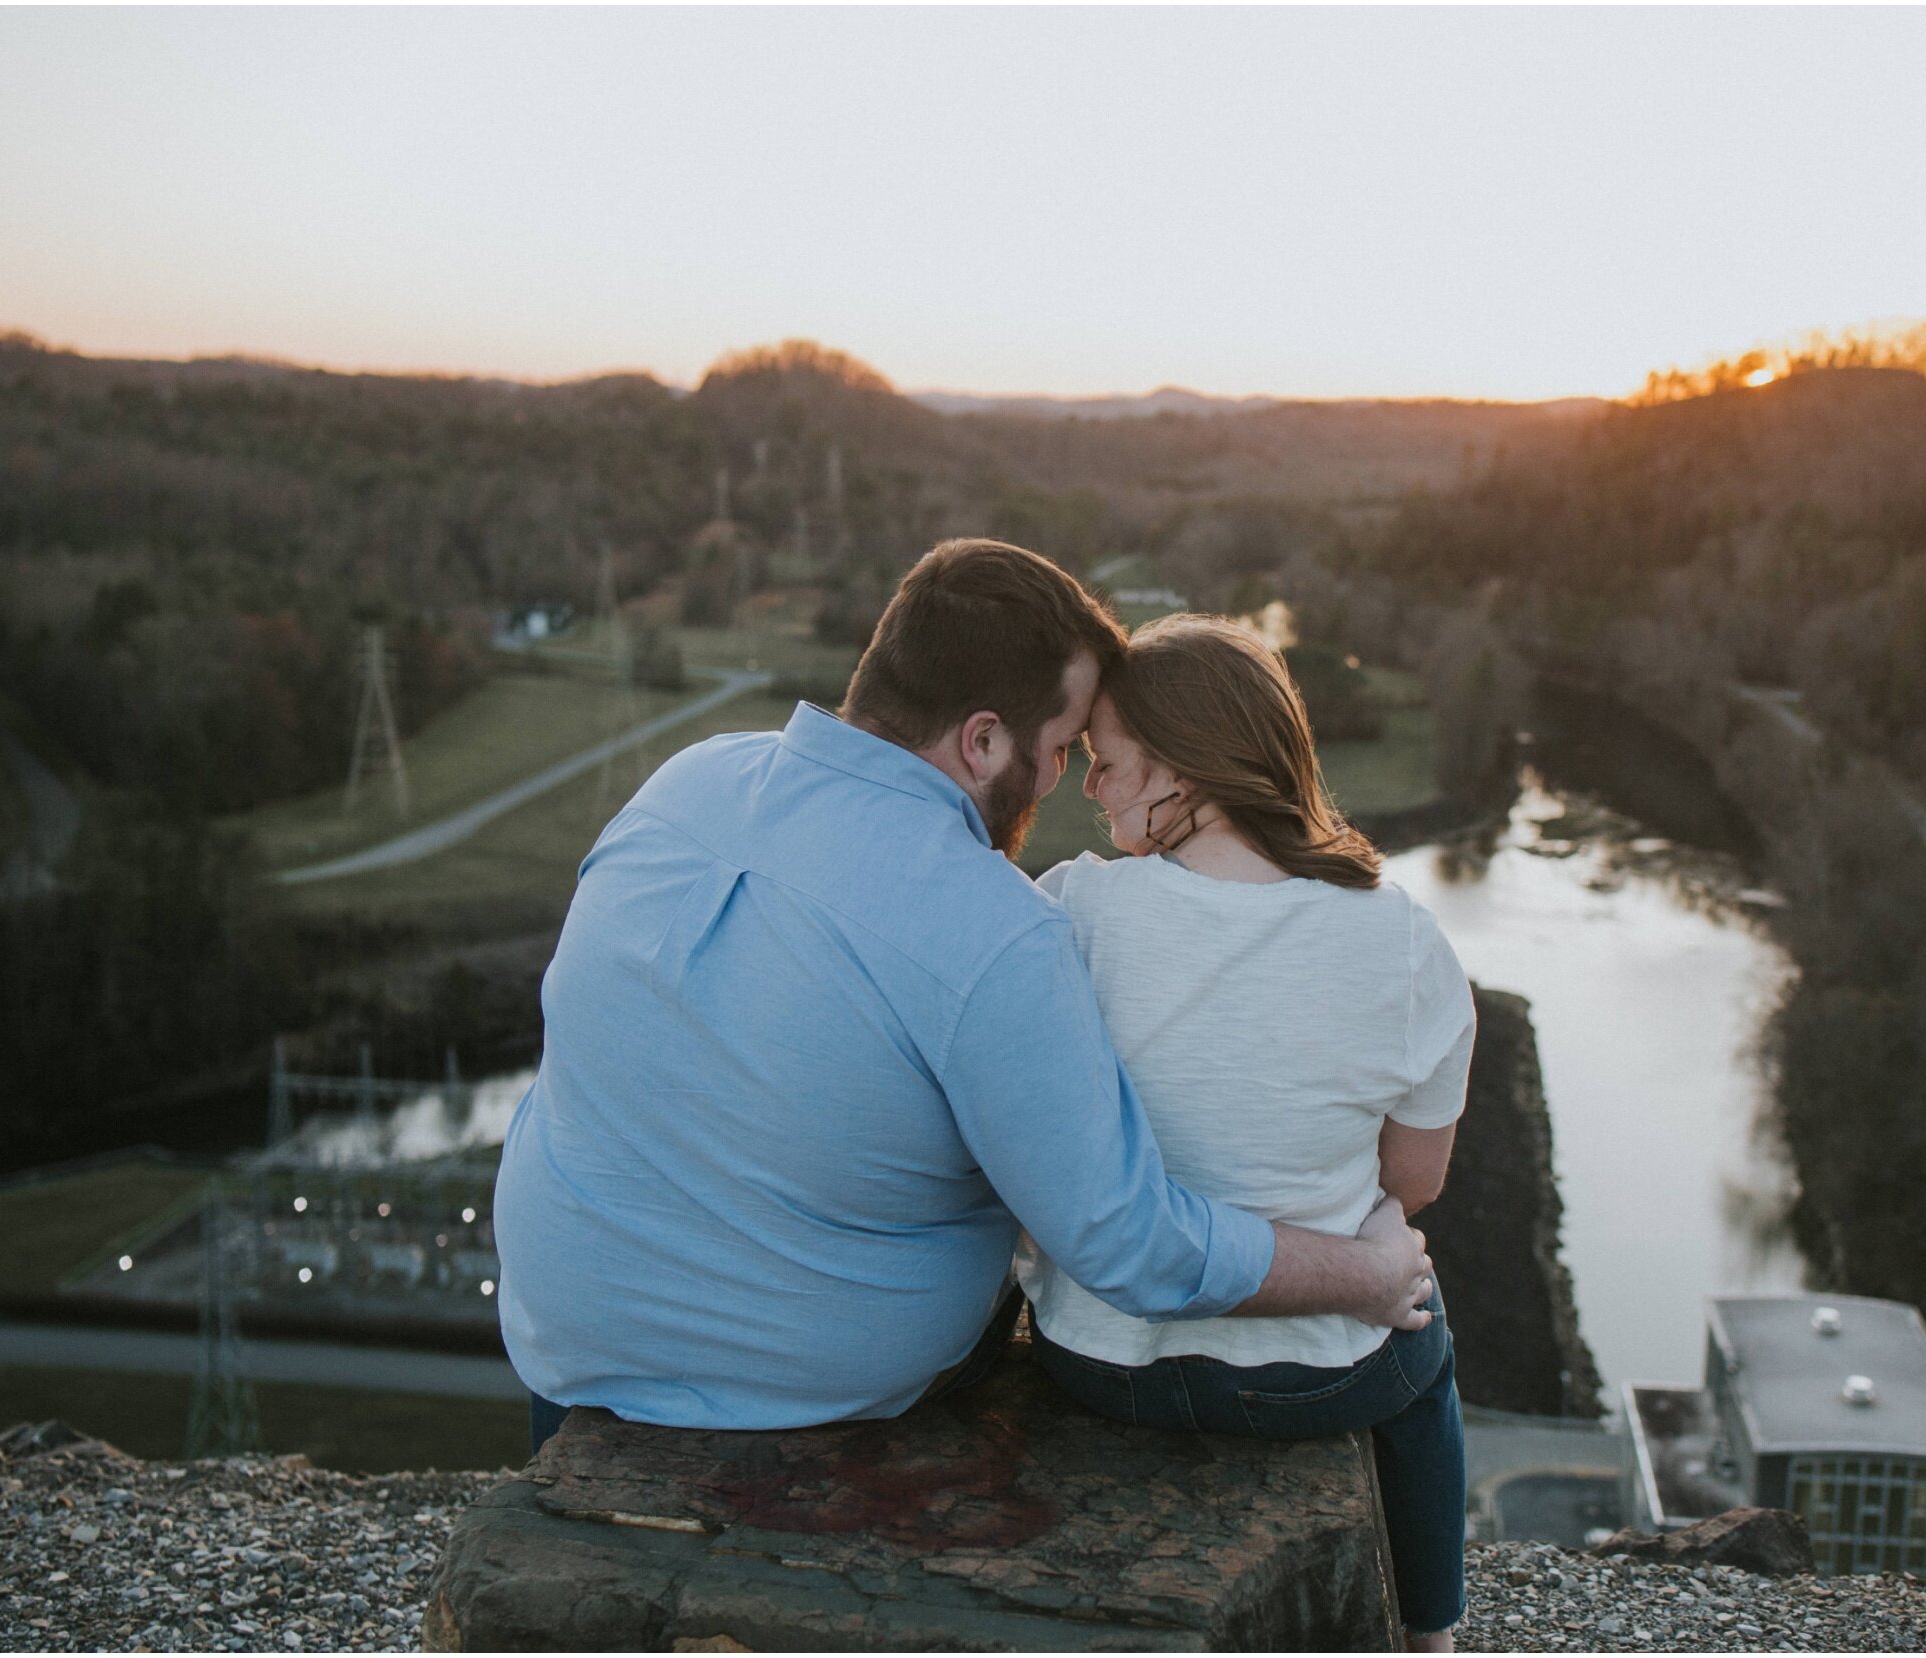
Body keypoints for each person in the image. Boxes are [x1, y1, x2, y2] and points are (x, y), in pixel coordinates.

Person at [493, 539, 1434, 1447]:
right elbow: (1126, 1244)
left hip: (566, 1343)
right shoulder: (994, 927)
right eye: (1062, 746)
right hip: (812, 1391)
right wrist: (1366, 1274)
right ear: (983, 740)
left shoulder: (682, 784)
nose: (1065, 780)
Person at [1022, 614, 1474, 1652]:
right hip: (1315, 1377)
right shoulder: (1401, 934)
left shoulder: (1069, 909)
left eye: (1108, 765)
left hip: (1096, 1359)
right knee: (1419, 1319)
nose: (1088, 790)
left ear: (1191, 769)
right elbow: (1414, 1180)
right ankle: (1431, 1628)